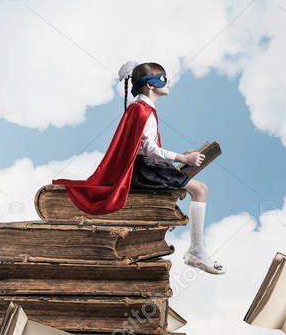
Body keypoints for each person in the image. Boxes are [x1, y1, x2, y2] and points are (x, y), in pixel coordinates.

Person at [53, 60, 225, 274]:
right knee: (201, 189)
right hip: (143, 171)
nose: (168, 82)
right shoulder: (143, 110)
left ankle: (197, 250)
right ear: (150, 85)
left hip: (145, 166)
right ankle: (196, 251)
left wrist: (181, 157)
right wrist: (182, 158)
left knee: (198, 188)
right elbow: (150, 150)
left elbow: (143, 148)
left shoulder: (140, 108)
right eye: (163, 79)